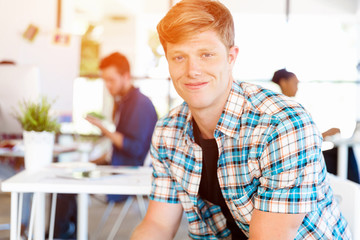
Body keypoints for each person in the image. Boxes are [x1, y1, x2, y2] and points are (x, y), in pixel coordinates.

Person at [131, 1, 351, 239]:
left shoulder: (282, 124)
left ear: (231, 57)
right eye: (179, 57)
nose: (192, 70)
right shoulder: (168, 131)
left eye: (206, 54)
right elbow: (158, 225)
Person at [54, 52, 158, 239]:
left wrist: (103, 128)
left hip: (130, 172)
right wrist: (92, 161)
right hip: (118, 165)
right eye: (105, 81)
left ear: (126, 76)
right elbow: (119, 148)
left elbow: (135, 149)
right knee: (65, 178)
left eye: (111, 80)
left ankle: (64, 234)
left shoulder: (140, 104)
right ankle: (70, 233)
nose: (107, 86)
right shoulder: (124, 103)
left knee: (66, 185)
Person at [272, 68, 360, 183]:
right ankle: (355, 186)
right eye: (295, 83)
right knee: (343, 154)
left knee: (342, 152)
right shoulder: (283, 107)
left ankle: (354, 187)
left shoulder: (285, 105)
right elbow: (296, 140)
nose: (297, 88)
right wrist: (324, 134)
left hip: (298, 156)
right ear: (283, 82)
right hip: (295, 160)